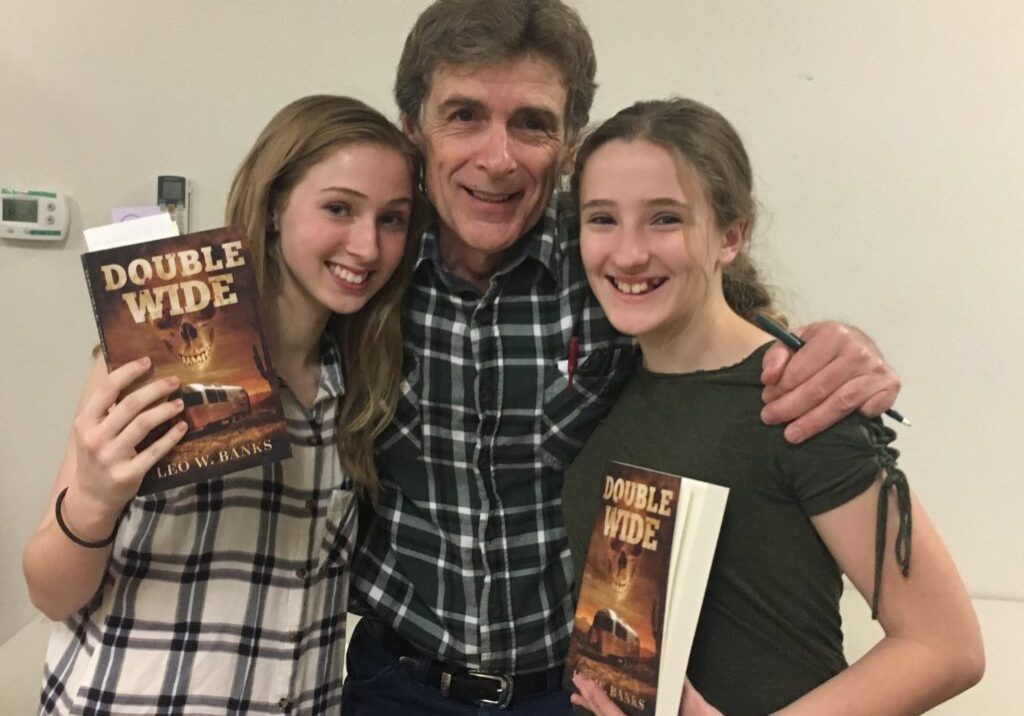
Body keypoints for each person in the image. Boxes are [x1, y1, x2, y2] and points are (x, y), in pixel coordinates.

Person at [344, 2, 904, 714]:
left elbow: (727, 331)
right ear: (413, 132)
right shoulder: (366, 270)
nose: (497, 157)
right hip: (396, 681)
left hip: (581, 689)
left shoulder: (615, 270)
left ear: (570, 142)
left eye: (532, 124)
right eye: (463, 116)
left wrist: (842, 348)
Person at [562, 97, 984, 716]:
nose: (627, 254)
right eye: (602, 219)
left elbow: (945, 645)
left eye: (665, 220)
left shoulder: (799, 397)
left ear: (729, 235)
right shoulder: (608, 382)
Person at [23, 94, 422, 715]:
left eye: (393, 219)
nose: (366, 246)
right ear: (273, 210)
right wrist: (95, 502)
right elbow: (49, 593)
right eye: (338, 208)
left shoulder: (365, 387)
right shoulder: (151, 355)